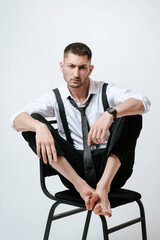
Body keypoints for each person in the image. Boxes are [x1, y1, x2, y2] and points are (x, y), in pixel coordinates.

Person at [11, 42, 151, 217]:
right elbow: (16, 119)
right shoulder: (55, 98)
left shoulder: (105, 90)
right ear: (62, 67)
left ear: (90, 69)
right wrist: (39, 127)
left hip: (112, 171)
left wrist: (110, 114)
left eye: (82, 67)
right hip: (75, 172)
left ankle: (103, 189)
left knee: (131, 114)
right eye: (71, 66)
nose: (76, 73)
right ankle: (83, 189)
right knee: (31, 124)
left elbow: (143, 101)